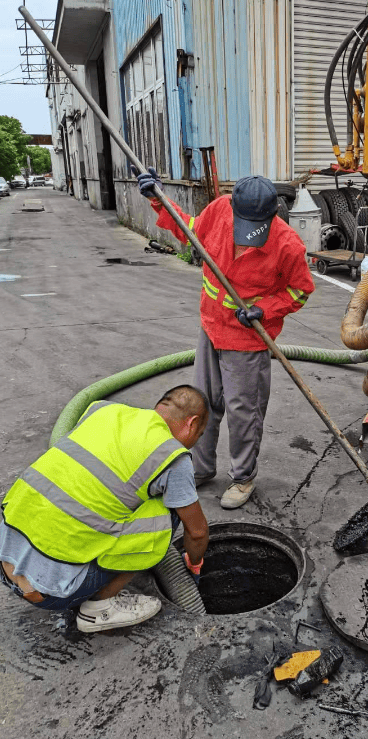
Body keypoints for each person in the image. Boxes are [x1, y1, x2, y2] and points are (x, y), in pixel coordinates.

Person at [135, 170, 315, 509]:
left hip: (247, 340)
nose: (248, 238)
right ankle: (201, 468)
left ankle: (243, 477)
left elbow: (301, 290)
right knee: (201, 402)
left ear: (271, 215)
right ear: (233, 209)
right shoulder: (219, 211)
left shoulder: (287, 244)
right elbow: (187, 229)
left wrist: (266, 309)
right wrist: (158, 198)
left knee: (243, 412)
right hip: (211, 326)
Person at [0, 385, 210, 633]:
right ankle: (98, 610)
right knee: (171, 511)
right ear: (192, 423)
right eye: (200, 434)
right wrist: (194, 564)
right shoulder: (172, 455)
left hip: (5, 559)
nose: (195, 443)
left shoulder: (103, 410)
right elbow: (196, 532)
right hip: (52, 593)